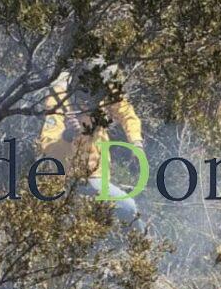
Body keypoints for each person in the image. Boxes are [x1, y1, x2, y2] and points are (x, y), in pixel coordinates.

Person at [37, 57, 145, 230]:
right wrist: (67, 135)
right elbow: (48, 148)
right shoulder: (58, 101)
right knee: (129, 207)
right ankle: (142, 244)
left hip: (99, 172)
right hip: (69, 179)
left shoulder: (103, 88)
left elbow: (126, 113)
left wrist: (136, 141)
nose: (96, 99)